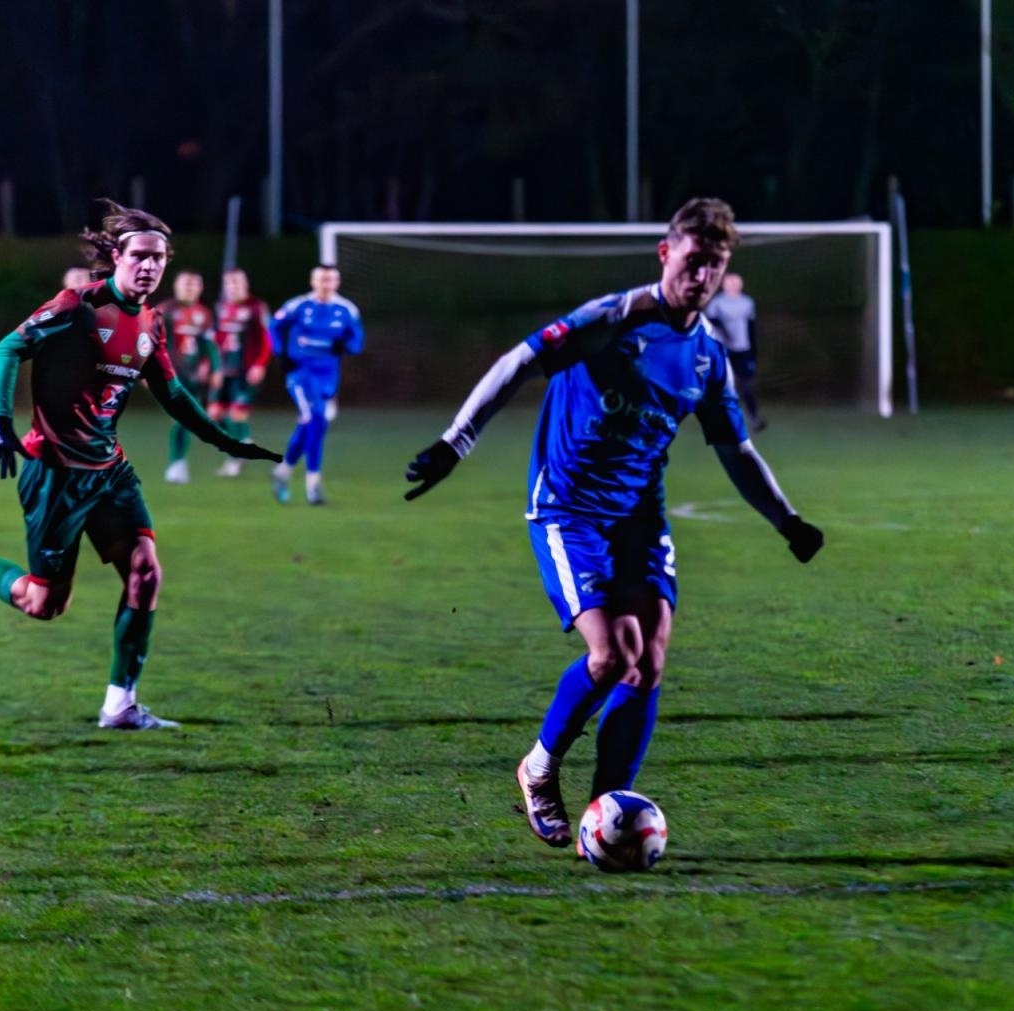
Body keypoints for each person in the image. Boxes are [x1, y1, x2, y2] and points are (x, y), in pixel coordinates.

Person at [402, 198, 823, 850]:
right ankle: (539, 768)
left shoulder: (709, 356)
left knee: (648, 659)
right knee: (609, 655)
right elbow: (518, 360)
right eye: (692, 261)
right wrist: (454, 444)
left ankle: (607, 809)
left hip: (639, 515)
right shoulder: (612, 319)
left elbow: (736, 448)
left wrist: (785, 519)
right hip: (568, 509)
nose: (702, 276)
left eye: (715, 265)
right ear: (665, 253)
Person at [0, 201, 279, 730]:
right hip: (56, 471)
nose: (149, 266)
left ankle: (120, 705)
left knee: (146, 573)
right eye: (140, 256)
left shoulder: (151, 321)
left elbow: (172, 393)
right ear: (117, 256)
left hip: (111, 469)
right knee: (43, 603)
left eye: (159, 258)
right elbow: (6, 350)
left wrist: (226, 442)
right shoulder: (76, 306)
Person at [268, 265, 365, 506]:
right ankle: (313, 486)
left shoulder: (346, 309)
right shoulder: (298, 305)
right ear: (313, 281)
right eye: (321, 279)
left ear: (337, 282)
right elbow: (273, 326)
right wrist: (280, 354)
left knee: (312, 423)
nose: (325, 284)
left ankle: (282, 473)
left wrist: (346, 347)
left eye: (330, 280)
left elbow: (357, 340)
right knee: (316, 417)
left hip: (327, 378)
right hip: (300, 374)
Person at [156, 269, 222, 484]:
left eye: (194, 285)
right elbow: (153, 345)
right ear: (176, 286)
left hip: (191, 375)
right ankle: (176, 463)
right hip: (169, 373)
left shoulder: (204, 313)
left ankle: (178, 463)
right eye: (185, 284)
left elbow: (209, 345)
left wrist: (215, 367)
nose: (189, 288)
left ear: (200, 288)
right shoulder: (164, 311)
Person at [209, 268, 272, 477]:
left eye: (237, 283)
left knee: (237, 414)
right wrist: (212, 365)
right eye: (229, 283)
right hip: (224, 370)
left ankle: (235, 458)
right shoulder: (221, 308)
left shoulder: (256, 307)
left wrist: (260, 364)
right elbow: (216, 339)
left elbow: (267, 338)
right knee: (215, 414)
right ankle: (243, 443)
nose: (233, 287)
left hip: (246, 371)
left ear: (245, 284)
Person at [704, 272, 764, 430]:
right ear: (723, 285)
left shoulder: (747, 302)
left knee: (747, 385)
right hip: (723, 350)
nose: (733, 285)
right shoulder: (716, 303)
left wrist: (753, 350)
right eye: (729, 282)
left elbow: (751, 326)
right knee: (722, 386)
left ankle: (754, 418)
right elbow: (710, 322)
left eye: (736, 282)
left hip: (743, 349)